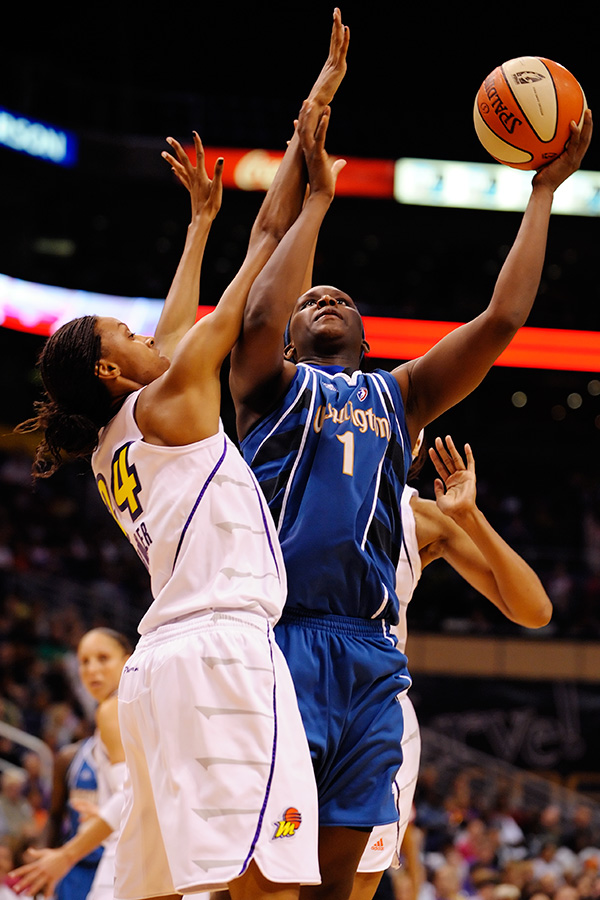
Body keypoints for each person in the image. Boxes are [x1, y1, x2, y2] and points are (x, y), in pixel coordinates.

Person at [228, 74, 592, 898]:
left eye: (340, 299)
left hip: (371, 663)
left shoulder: (401, 398)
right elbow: (256, 314)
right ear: (286, 335)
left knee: (339, 890)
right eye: (308, 297)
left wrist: (541, 195)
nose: (323, 296)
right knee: (262, 887)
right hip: (282, 645)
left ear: (366, 334)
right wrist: (316, 200)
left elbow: (500, 321)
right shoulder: (266, 390)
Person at [12, 11, 350, 898]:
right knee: (270, 881)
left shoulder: (124, 433)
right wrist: (310, 185)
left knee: (171, 892)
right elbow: (263, 261)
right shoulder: (169, 396)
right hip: (224, 657)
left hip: (161, 675)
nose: (144, 329)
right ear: (112, 369)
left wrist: (200, 223)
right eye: (125, 331)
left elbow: (181, 312)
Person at [350, 434, 552, 900]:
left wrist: (469, 516)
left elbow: (535, 610)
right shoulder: (285, 480)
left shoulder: (420, 518)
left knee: (354, 883)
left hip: (374, 710)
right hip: (293, 688)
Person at [9, 628, 132, 900]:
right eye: (84, 661)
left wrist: (65, 856)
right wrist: (107, 812)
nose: (92, 669)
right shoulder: (133, 708)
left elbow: (130, 795)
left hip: (126, 859)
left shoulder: (111, 710)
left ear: (128, 660)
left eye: (103, 658)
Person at [47, 737, 104, 900]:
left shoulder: (133, 756)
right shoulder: (70, 757)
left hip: (113, 861)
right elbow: (55, 816)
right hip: (76, 864)